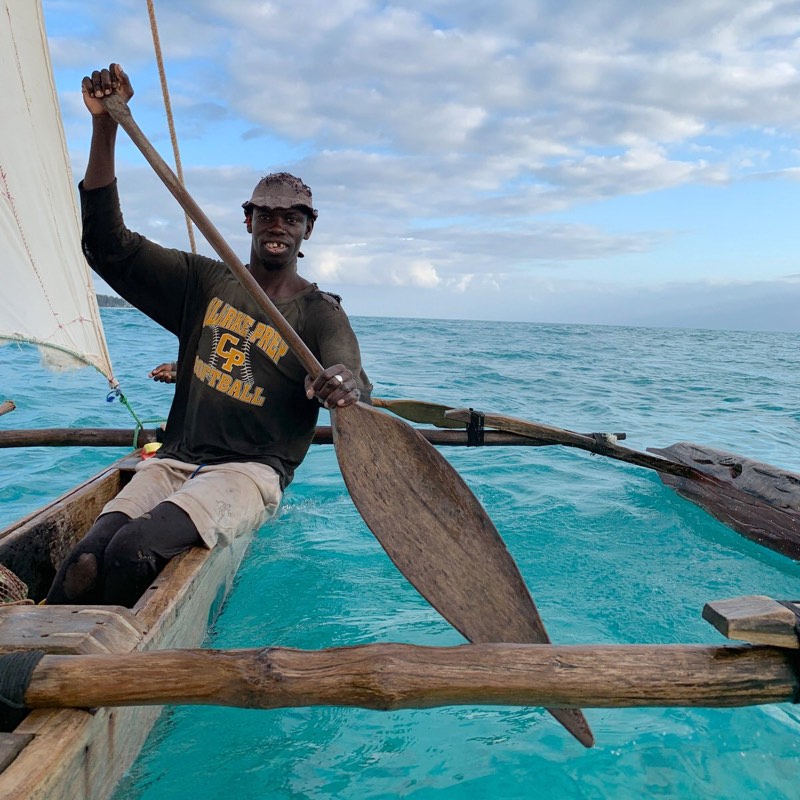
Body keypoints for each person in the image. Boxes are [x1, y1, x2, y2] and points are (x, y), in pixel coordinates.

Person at [47, 64, 371, 607]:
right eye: (266, 214)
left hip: (250, 473)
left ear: (307, 229)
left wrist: (340, 385)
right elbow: (106, 245)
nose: (277, 225)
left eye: (292, 217)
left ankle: (114, 651)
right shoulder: (203, 282)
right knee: (84, 561)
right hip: (176, 458)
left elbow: (353, 378)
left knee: (131, 551)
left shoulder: (321, 314)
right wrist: (105, 126)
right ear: (247, 221)